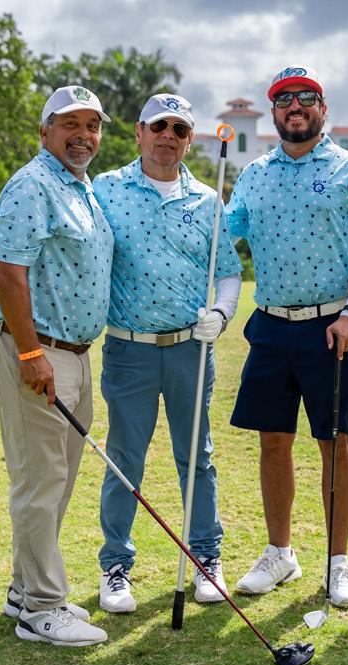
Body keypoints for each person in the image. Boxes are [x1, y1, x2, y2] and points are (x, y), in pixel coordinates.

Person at [225, 65, 348, 607]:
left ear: (323, 108)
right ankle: (280, 553)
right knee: (273, 440)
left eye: (306, 97)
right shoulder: (254, 173)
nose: (294, 106)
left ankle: (338, 562)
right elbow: (224, 237)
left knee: (334, 442)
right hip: (271, 323)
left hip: (330, 326)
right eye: (283, 99)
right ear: (273, 111)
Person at [91, 94, 243, 613]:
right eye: (159, 127)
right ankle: (116, 566)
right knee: (124, 460)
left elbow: (228, 273)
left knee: (196, 457)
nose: (168, 137)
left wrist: (221, 313)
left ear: (190, 140)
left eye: (179, 130)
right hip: (128, 349)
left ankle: (207, 559)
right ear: (139, 132)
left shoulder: (206, 199)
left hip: (189, 349)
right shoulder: (106, 189)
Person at [0, 85, 114, 646]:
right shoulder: (33, 185)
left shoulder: (82, 188)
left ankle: (24, 589)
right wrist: (31, 352)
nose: (83, 135)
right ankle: (41, 608)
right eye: (70, 124)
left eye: (92, 125)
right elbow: (9, 274)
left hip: (76, 354)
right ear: (45, 132)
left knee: (57, 481)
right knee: (40, 481)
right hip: (38, 352)